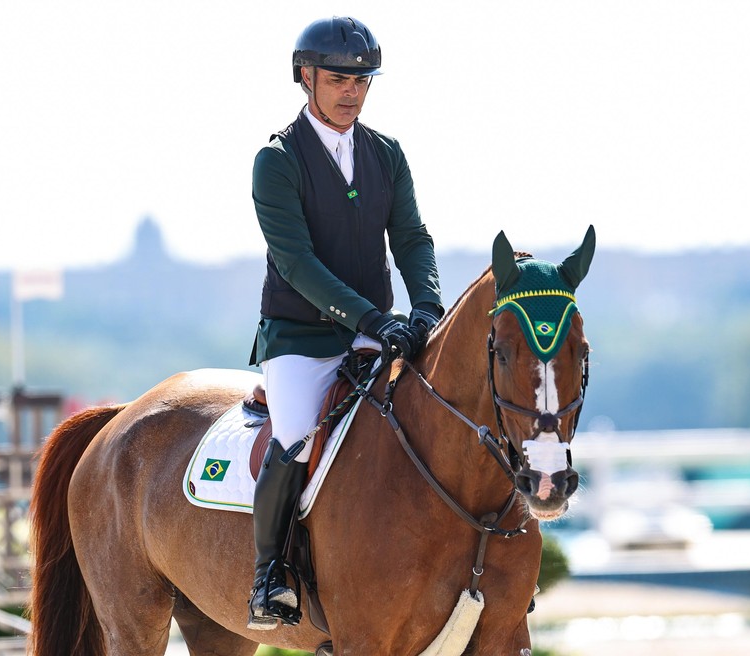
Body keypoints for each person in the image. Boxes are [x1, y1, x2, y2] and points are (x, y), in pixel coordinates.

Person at [246, 15, 444, 630]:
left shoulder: (386, 153)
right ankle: (269, 575)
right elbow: (297, 263)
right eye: (338, 78)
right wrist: (372, 318)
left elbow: (411, 238)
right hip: (301, 337)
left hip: (376, 329)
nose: (352, 91)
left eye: (363, 80)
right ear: (306, 77)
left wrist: (428, 309)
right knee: (298, 432)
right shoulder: (276, 161)